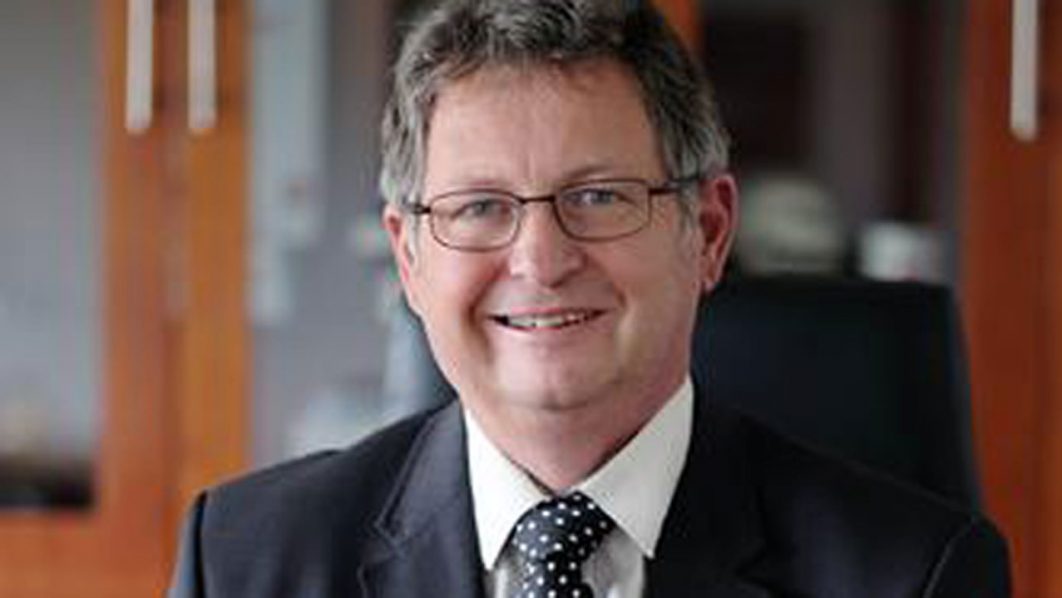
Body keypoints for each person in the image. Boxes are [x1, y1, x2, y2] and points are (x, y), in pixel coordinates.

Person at [168, 1, 1011, 596]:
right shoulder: (248, 565)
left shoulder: (911, 576)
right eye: (480, 207)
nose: (540, 260)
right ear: (410, 258)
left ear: (707, 231)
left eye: (600, 196)